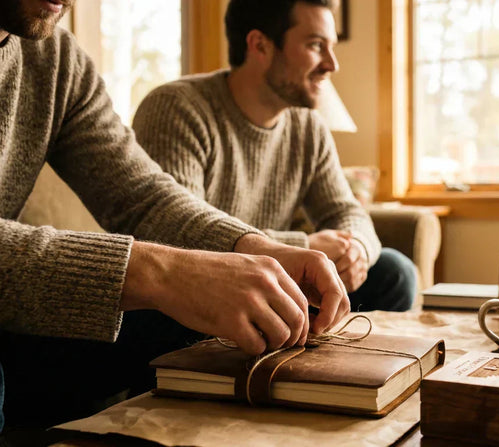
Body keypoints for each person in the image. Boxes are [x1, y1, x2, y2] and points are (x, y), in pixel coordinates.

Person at [0, 0, 350, 431]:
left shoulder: (56, 57)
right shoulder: (181, 105)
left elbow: (142, 196)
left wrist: (256, 248)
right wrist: (162, 273)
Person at [132, 0, 417, 313]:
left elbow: (348, 212)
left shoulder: (308, 126)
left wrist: (356, 250)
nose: (331, 64)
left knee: (395, 273)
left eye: (330, 47)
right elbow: (175, 241)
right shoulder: (177, 107)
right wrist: (299, 248)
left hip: (277, 281)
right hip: (198, 292)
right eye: (315, 45)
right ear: (260, 45)